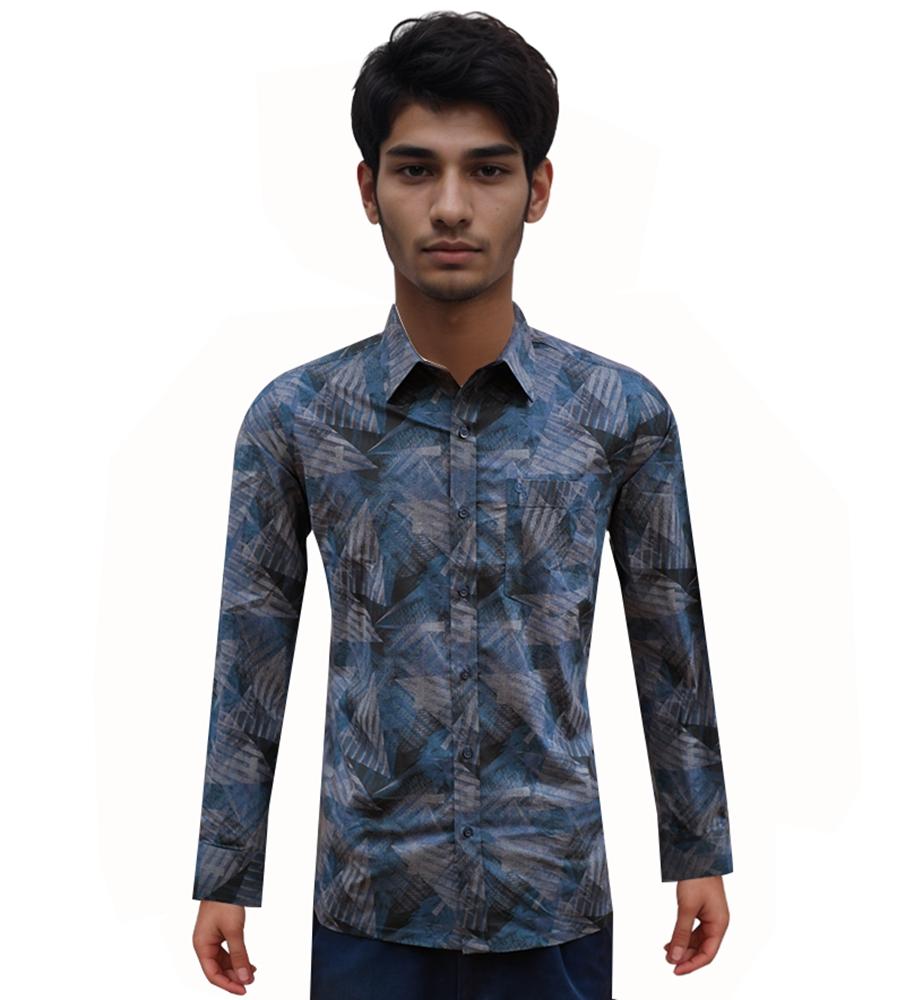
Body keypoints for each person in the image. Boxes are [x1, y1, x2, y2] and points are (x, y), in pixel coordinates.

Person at [190, 11, 733, 999]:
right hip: (369, 902)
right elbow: (253, 654)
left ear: (538, 189)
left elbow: (670, 645)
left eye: (487, 170)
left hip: (552, 895)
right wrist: (225, 872)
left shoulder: (618, 413)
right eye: (415, 170)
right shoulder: (298, 418)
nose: (450, 206)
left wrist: (697, 849)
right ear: (369, 190)